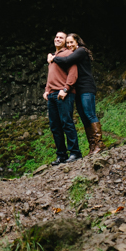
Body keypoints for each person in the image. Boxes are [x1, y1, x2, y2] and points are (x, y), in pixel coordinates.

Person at [48, 33, 103, 155]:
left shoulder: (81, 51)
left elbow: (67, 60)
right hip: (78, 89)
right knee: (83, 117)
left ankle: (99, 144)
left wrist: (53, 58)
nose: (69, 45)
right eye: (67, 43)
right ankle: (92, 146)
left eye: (71, 42)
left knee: (90, 114)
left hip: (86, 87)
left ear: (77, 42)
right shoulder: (73, 53)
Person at [43, 31, 82, 165]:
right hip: (52, 95)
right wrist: (46, 90)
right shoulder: (52, 57)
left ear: (65, 41)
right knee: (55, 126)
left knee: (66, 122)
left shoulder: (68, 55)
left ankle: (75, 152)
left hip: (64, 93)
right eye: (56, 37)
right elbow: (51, 76)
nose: (58, 39)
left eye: (61, 37)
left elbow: (73, 73)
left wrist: (66, 89)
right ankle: (61, 155)